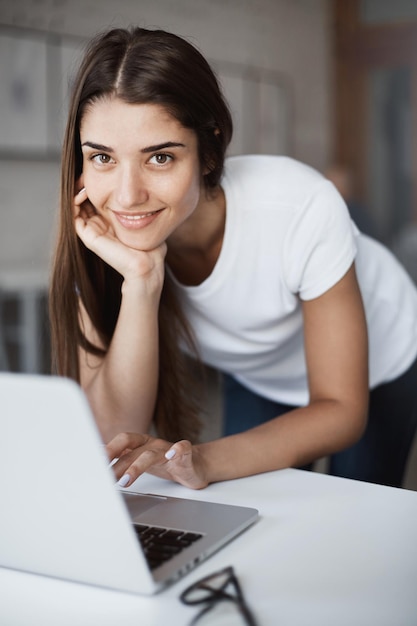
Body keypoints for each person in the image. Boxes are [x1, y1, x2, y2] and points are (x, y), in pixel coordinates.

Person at [49, 26, 417, 491]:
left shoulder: (298, 206)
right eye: (102, 158)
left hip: (381, 360)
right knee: (261, 506)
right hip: (260, 367)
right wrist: (141, 280)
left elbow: (341, 410)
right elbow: (112, 437)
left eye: (159, 158)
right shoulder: (103, 241)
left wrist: (204, 459)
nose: (127, 196)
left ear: (209, 149)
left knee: (361, 507)